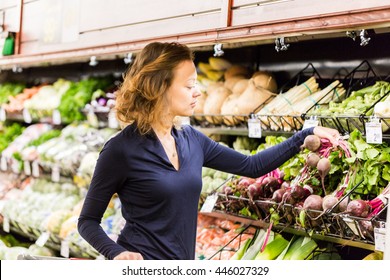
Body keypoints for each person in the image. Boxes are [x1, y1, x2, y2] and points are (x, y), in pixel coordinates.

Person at [77, 41, 340, 260]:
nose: (198, 93)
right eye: (189, 85)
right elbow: (87, 220)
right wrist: (117, 253)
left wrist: (306, 135)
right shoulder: (121, 149)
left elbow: (252, 166)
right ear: (158, 88)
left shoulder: (192, 139)